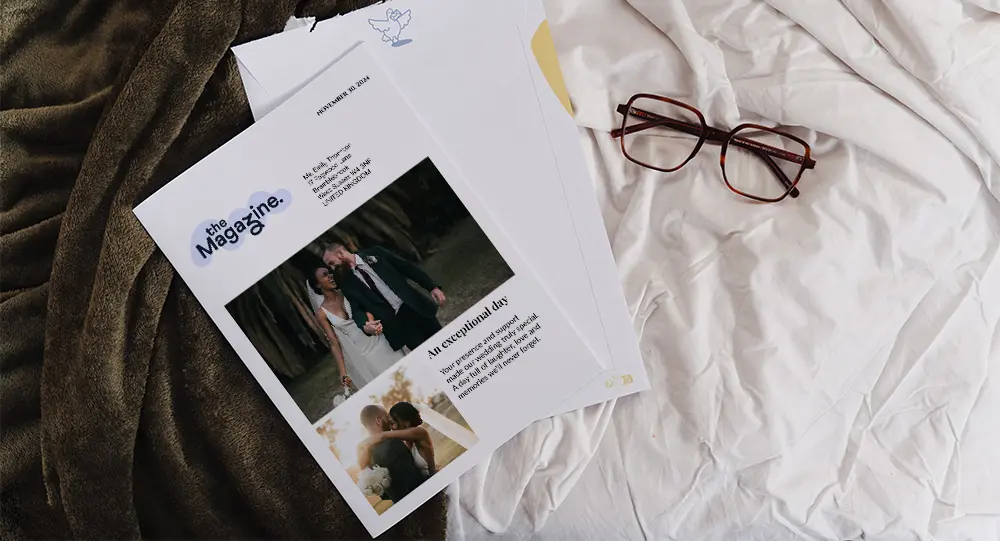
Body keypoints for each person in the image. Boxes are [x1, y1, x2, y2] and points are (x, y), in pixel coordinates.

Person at [323, 243, 446, 352]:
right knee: (427, 356)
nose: (333, 268)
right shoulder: (347, 284)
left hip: (416, 307)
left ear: (340, 253)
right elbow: (357, 309)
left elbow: (407, 268)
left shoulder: (377, 253)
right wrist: (365, 325)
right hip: (399, 324)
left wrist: (432, 287)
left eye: (332, 263)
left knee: (446, 342)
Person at [307, 266, 403, 390]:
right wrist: (342, 371)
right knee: (391, 385)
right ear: (318, 284)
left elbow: (366, 308)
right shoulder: (322, 314)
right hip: (365, 352)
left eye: (330, 272)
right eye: (325, 275)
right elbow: (334, 343)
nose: (331, 276)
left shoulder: (346, 292)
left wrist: (371, 322)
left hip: (379, 338)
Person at [357, 405, 427, 503]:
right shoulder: (392, 444)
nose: (390, 421)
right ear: (378, 420)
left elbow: (384, 495)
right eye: (386, 416)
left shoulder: (368, 456)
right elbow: (414, 482)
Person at [359, 401, 436, 477]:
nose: (391, 427)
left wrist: (360, 445)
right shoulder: (404, 442)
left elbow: (382, 436)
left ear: (406, 423)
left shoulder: (420, 432)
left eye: (392, 423)